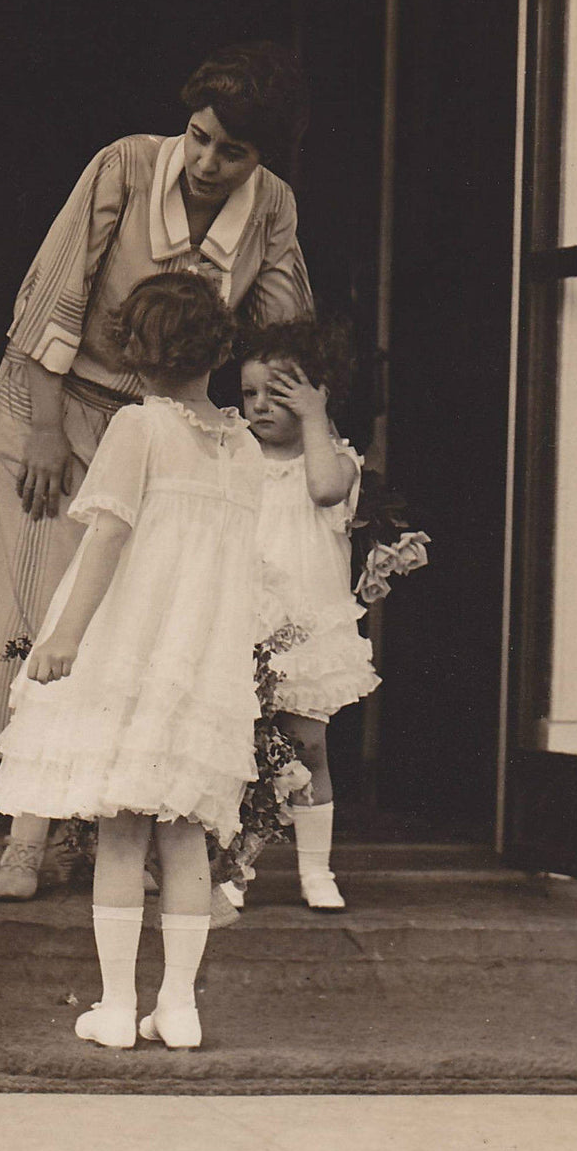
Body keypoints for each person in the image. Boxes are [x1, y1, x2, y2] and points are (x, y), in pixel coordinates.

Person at [0, 41, 314, 899]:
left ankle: (123, 835)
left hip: (172, 423)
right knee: (50, 606)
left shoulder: (271, 206)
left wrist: (285, 426)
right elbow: (49, 297)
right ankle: (28, 833)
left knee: (145, 625)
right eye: (199, 137)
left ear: (260, 156)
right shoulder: (124, 167)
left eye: (231, 151)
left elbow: (286, 332)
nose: (206, 162)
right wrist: (48, 433)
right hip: (56, 403)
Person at [0, 273, 264, 1049]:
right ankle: (178, 1005)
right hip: (198, 663)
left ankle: (115, 1004)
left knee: (122, 833)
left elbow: (105, 535)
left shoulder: (140, 428)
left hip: (133, 651)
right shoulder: (243, 448)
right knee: (182, 836)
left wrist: (65, 634)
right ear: (219, 352)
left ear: (136, 356)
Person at [229, 317, 379, 912]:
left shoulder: (337, 460)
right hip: (240, 621)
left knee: (306, 746)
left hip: (303, 628)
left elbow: (323, 490)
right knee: (237, 748)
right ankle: (232, 866)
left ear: (317, 393)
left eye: (279, 393)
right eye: (249, 393)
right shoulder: (236, 453)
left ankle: (316, 870)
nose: (260, 406)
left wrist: (315, 418)